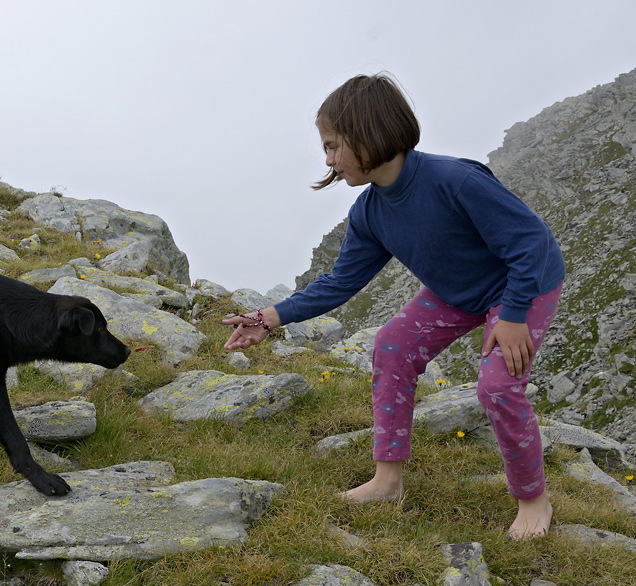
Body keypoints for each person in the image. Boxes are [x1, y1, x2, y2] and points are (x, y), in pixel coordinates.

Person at [223, 73, 565, 540]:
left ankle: (533, 500)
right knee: (390, 347)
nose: (328, 160)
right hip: (458, 292)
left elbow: (531, 242)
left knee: (499, 386)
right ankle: (387, 482)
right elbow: (341, 281)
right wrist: (267, 319)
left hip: (523, 283)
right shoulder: (369, 213)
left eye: (332, 146)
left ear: (368, 133)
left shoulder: (455, 179)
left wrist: (512, 315)